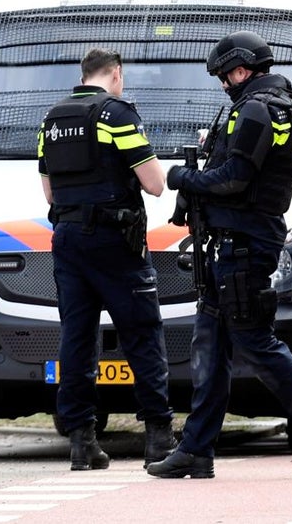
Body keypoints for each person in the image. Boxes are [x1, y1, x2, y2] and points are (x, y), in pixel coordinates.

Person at [148, 31, 292, 481]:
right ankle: (196, 450)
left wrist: (183, 178)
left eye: (226, 76)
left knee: (258, 345)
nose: (224, 84)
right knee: (211, 346)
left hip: (245, 243)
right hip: (232, 243)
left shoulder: (258, 109)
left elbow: (234, 179)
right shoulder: (269, 105)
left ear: (241, 70)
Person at [38, 48, 175, 471]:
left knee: (76, 338)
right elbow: (154, 185)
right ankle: (158, 436)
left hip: (66, 238)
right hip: (115, 241)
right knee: (141, 333)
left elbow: (48, 194)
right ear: (116, 74)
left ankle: (82, 441)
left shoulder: (52, 120)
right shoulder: (117, 114)